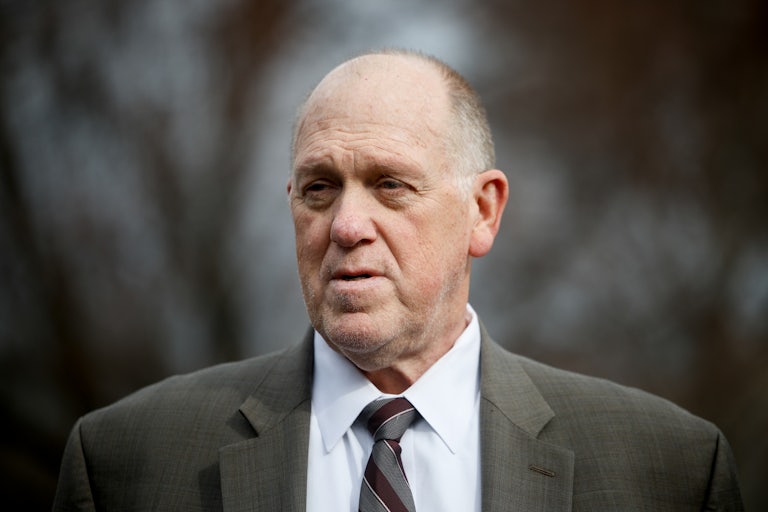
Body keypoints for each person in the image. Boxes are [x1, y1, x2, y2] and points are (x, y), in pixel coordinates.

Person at [53, 49, 744, 511]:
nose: (347, 225)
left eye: (391, 185)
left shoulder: (670, 470)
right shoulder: (124, 465)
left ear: (482, 210)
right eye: (319, 188)